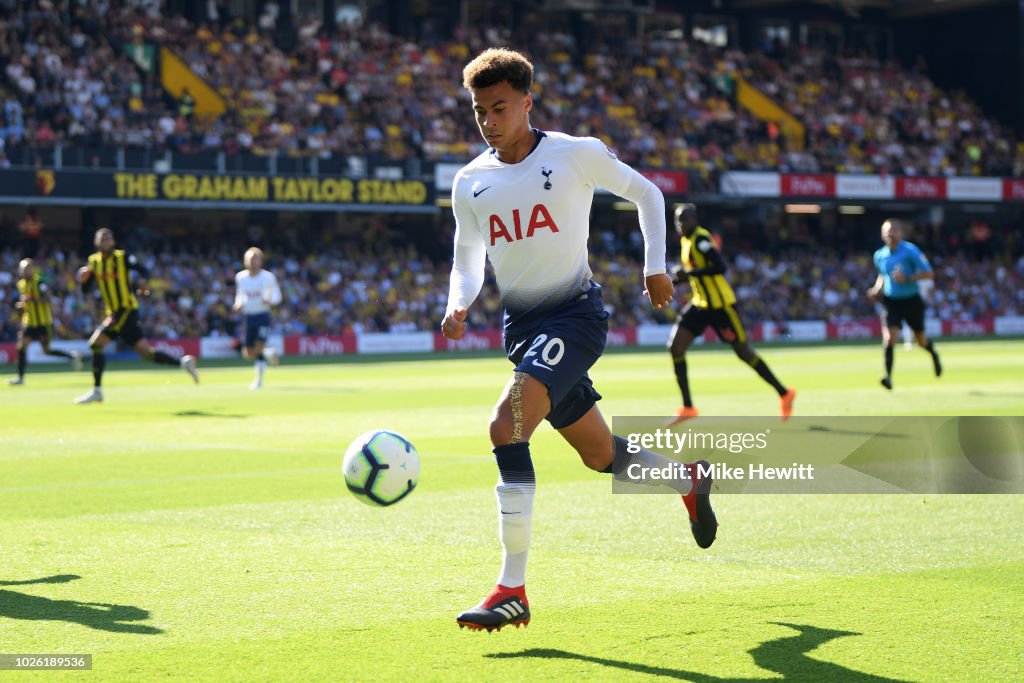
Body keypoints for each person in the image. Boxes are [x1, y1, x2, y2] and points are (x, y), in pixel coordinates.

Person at [441, 48, 717, 634]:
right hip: (523, 329)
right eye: (478, 111)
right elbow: (467, 257)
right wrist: (457, 303)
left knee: (505, 424)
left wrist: (655, 265)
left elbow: (649, 194)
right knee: (599, 455)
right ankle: (686, 479)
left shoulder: (576, 154)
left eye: (499, 108)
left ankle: (510, 588)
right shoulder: (470, 182)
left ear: (526, 102)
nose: (488, 121)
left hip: (575, 316)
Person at [666, 204, 796, 424]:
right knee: (675, 347)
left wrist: (688, 273)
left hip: (721, 307)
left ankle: (785, 393)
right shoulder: (685, 241)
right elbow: (696, 274)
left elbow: (720, 267)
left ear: (695, 220)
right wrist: (674, 279)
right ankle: (688, 407)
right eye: (678, 220)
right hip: (701, 304)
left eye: (685, 219)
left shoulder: (701, 240)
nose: (681, 224)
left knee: (744, 353)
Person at [74, 228, 199, 403]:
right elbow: (86, 289)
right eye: (102, 239)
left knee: (96, 344)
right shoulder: (93, 262)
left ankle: (97, 390)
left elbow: (143, 271)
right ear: (96, 242)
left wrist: (142, 283)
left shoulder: (122, 257)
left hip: (126, 310)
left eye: (109, 238)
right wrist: (84, 280)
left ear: (113, 242)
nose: (106, 241)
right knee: (145, 353)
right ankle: (183, 363)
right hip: (114, 312)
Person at [867, 219, 941, 390]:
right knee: (889, 338)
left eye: (892, 230)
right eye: (886, 231)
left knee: (920, 341)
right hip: (891, 301)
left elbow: (929, 273)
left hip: (911, 300)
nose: (889, 234)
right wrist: (876, 289)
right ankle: (888, 377)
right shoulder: (879, 255)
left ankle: (934, 354)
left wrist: (907, 278)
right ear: (882, 234)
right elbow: (883, 276)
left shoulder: (910, 251)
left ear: (900, 233)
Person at [7, 258, 82, 385]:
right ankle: (20, 378)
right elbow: (24, 303)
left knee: (46, 351)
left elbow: (47, 298)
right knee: (21, 347)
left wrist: (32, 300)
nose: (25, 271)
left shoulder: (39, 282)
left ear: (33, 269)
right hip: (29, 322)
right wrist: (20, 306)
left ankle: (72, 356)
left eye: (28, 268)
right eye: (23, 268)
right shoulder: (21, 284)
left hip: (43, 322)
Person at [233, 246, 282, 389]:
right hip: (248, 316)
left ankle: (259, 380)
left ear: (261, 261)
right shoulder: (240, 277)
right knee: (248, 353)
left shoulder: (267, 277)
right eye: (250, 259)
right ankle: (268, 353)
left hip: (263, 316)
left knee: (259, 345)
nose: (252, 261)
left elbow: (278, 296)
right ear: (245, 261)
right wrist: (238, 303)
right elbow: (240, 294)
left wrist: (270, 301)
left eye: (255, 258)